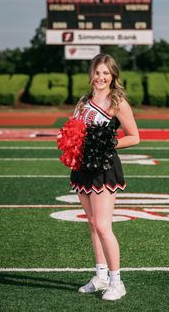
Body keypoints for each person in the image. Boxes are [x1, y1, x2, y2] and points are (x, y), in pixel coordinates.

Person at [70, 53, 140, 301]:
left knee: (102, 225)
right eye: (97, 72)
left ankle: (116, 281)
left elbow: (134, 136)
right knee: (91, 224)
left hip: (104, 167)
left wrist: (107, 145)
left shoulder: (117, 101)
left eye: (106, 73)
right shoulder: (83, 101)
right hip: (82, 167)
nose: (101, 77)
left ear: (113, 76)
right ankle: (100, 276)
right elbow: (75, 133)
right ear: (92, 74)